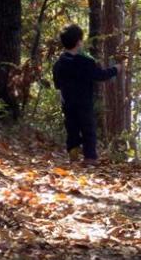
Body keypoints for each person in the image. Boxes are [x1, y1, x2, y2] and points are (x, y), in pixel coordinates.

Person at [52, 24, 121, 165]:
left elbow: (57, 83)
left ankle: (73, 154)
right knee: (88, 128)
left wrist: (62, 91)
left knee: (72, 128)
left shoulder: (59, 63)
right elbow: (99, 75)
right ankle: (90, 157)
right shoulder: (85, 62)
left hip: (68, 102)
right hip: (84, 102)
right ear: (79, 42)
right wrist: (115, 69)